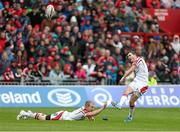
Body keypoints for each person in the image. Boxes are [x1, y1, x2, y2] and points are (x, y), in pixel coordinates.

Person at [111, 50, 149, 122]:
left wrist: (123, 78)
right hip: (136, 81)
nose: (129, 57)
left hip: (143, 84)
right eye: (128, 56)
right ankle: (120, 104)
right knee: (126, 91)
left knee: (131, 101)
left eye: (130, 55)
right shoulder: (135, 63)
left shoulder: (139, 60)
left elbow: (131, 70)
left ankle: (130, 116)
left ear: (134, 54)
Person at [17, 101, 107, 121]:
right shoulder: (85, 111)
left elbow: (90, 115)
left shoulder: (85, 110)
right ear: (87, 106)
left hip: (64, 114)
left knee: (45, 116)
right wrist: (102, 108)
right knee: (43, 118)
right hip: (62, 116)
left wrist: (91, 119)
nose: (93, 108)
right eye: (92, 107)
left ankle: (29, 113)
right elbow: (92, 113)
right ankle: (24, 113)